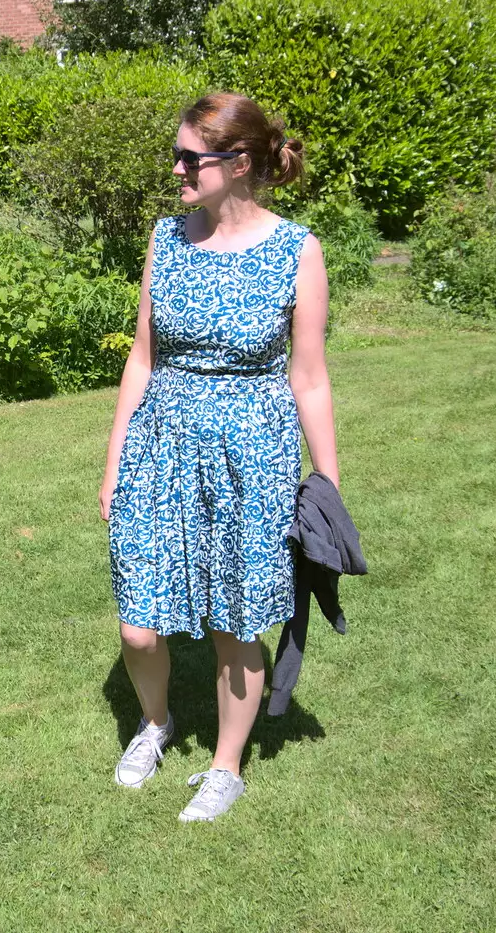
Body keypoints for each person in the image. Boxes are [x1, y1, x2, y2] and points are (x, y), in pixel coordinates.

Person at [99, 92, 339, 822]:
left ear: (238, 164)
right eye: (175, 154)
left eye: (187, 158)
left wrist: (327, 481)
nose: (175, 169)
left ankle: (226, 764)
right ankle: (156, 722)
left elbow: (309, 375)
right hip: (160, 444)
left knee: (236, 620)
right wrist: (113, 461)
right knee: (139, 619)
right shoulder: (165, 239)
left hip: (251, 455)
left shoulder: (297, 250)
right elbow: (142, 357)